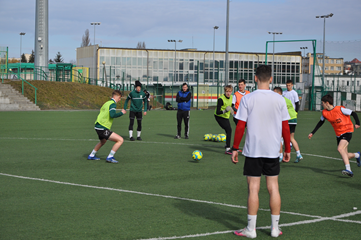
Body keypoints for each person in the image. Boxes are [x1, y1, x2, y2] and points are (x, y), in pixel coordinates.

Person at [231, 65, 291, 238]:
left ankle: (251, 229)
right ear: (271, 79)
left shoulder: (248, 99)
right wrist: (287, 148)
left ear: (255, 78)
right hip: (273, 150)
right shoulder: (279, 99)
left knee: (253, 189)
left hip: (253, 151)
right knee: (273, 188)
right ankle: (274, 229)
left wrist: (235, 148)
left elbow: (241, 126)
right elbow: (285, 128)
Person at [308, 94, 360, 177]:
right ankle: (357, 155)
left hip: (347, 131)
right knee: (345, 155)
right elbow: (321, 122)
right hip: (338, 134)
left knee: (340, 148)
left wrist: (357, 123)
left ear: (327, 103)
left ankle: (349, 170)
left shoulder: (340, 109)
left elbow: (353, 113)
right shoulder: (324, 112)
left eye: (322, 103)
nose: (322, 104)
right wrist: (312, 132)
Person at [87, 90, 127, 164]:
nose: (119, 99)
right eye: (119, 98)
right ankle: (110, 157)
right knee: (120, 140)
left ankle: (91, 155)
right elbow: (112, 115)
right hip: (102, 127)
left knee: (103, 141)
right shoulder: (112, 104)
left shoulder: (107, 103)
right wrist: (122, 113)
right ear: (115, 96)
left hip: (98, 126)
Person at [274, 87, 303, 163]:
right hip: (294, 119)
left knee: (279, 138)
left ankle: (280, 156)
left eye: (274, 92)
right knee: (291, 138)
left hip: (287, 119)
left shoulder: (279, 100)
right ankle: (298, 154)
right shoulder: (287, 100)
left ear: (278, 93)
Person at [214, 85, 234, 155]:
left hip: (226, 117)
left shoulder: (232, 97)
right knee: (229, 130)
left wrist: (233, 110)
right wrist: (225, 110)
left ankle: (226, 144)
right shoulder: (221, 99)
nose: (228, 93)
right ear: (224, 91)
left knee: (228, 130)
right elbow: (218, 112)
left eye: (230, 91)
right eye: (227, 91)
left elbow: (232, 106)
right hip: (219, 117)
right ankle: (228, 149)